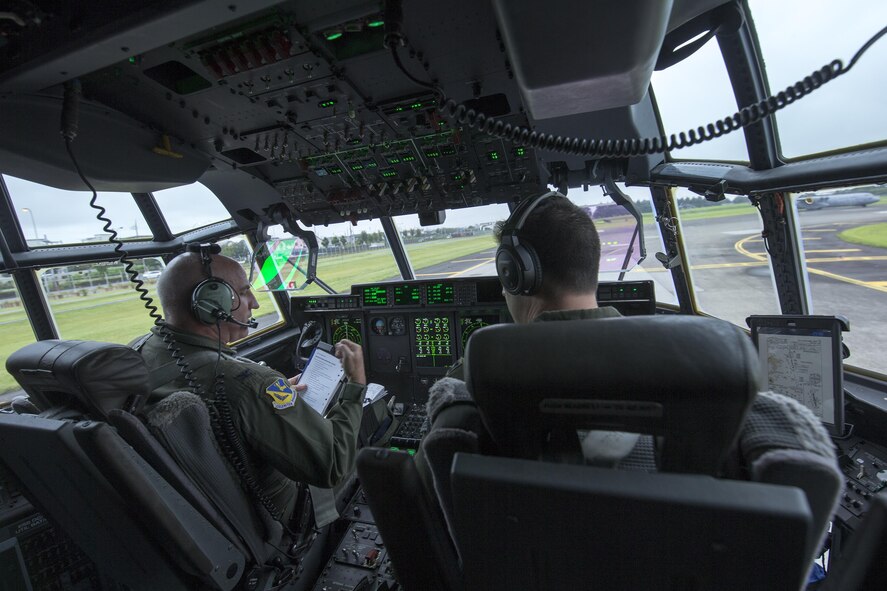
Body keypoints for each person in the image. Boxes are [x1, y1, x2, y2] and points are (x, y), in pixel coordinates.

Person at [135, 250, 365, 521]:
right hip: (273, 516)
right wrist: (355, 385)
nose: (255, 304)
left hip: (193, 513)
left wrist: (265, 400)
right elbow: (333, 464)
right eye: (244, 293)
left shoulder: (138, 352)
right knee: (362, 444)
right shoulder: (247, 383)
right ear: (213, 302)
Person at [445, 191, 620, 380]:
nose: (504, 291)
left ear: (518, 275)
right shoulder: (653, 346)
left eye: (505, 277)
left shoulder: (477, 371)